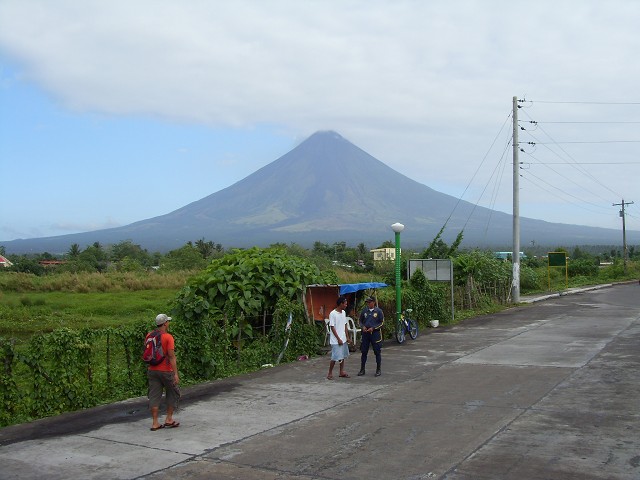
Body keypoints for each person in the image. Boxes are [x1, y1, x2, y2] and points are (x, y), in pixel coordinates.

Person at [146, 313, 180, 431]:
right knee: (172, 392)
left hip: (152, 370)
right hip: (166, 371)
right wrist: (175, 373)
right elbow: (171, 356)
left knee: (154, 395)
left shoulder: (149, 335)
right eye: (168, 322)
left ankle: (155, 422)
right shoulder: (168, 337)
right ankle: (169, 419)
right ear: (165, 323)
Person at [358, 296, 384, 377]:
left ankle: (378, 369)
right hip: (365, 334)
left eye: (369, 302)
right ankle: (362, 369)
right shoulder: (364, 311)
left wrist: (374, 328)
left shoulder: (379, 311)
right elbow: (360, 321)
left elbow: (382, 322)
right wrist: (362, 327)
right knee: (364, 352)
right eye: (367, 302)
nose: (368, 304)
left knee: (377, 352)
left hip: (375, 334)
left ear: (373, 302)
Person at [327, 296, 351, 380]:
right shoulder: (332, 314)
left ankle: (341, 371)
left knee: (343, 356)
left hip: (343, 338)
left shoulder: (343, 313)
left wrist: (347, 337)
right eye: (345, 304)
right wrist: (338, 339)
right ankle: (330, 373)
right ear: (340, 304)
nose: (346, 305)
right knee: (335, 357)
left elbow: (345, 325)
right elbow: (332, 327)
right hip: (336, 340)